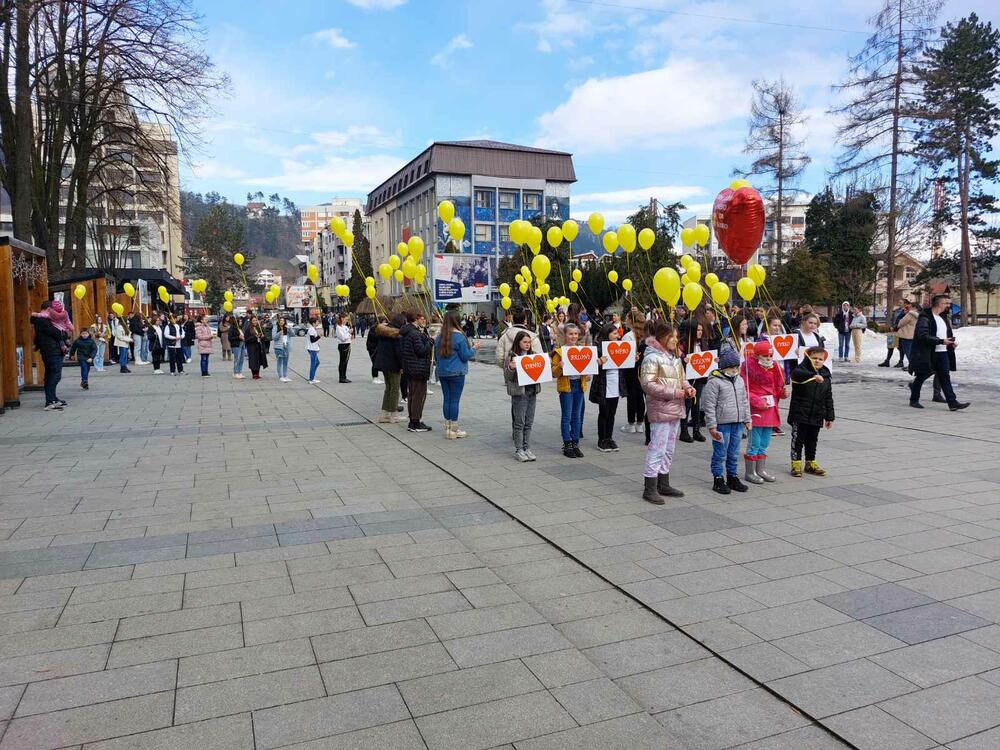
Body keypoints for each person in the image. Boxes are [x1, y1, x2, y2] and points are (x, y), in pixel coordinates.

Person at [639, 320, 692, 502]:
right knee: (657, 448)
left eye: (676, 337)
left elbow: (681, 378)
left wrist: (688, 388)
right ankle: (650, 487)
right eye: (672, 336)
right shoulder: (651, 358)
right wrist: (674, 392)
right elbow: (648, 385)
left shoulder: (674, 358)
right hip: (661, 409)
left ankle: (663, 482)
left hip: (676, 408)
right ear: (662, 337)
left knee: (669, 448)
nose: (675, 340)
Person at [703, 348, 751, 495]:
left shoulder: (740, 380)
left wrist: (747, 418)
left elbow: (744, 400)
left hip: (737, 422)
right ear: (723, 367)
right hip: (722, 423)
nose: (735, 370)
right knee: (720, 453)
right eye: (732, 367)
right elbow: (709, 405)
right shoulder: (714, 382)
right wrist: (712, 425)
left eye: (737, 367)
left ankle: (732, 476)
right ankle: (718, 478)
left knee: (734, 452)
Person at [909, 295, 969, 411]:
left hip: (943, 352)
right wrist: (941, 341)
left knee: (945, 377)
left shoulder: (943, 318)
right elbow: (923, 336)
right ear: (939, 304)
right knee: (921, 376)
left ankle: (953, 403)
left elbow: (945, 334)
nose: (949, 305)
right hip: (928, 353)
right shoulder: (925, 317)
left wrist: (950, 342)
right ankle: (914, 399)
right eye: (946, 303)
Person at [741, 340, 785, 484]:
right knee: (754, 442)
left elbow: (777, 386)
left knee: (765, 442)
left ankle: (760, 470)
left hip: (771, 408)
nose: (768, 358)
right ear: (757, 355)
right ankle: (750, 472)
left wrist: (782, 392)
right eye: (765, 355)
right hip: (757, 409)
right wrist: (757, 401)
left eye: (770, 355)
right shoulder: (747, 367)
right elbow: (744, 389)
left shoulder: (776, 366)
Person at [788, 347, 836, 476]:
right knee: (798, 440)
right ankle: (796, 464)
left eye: (820, 359)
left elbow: (828, 397)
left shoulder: (826, 375)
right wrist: (813, 376)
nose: (817, 361)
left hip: (817, 414)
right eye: (814, 358)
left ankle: (810, 463)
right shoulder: (801, 371)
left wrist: (830, 417)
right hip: (800, 413)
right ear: (808, 358)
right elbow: (795, 375)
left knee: (812, 440)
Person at [435, 310, 478, 438]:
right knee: (454, 400)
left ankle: (448, 428)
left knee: (446, 398)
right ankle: (454, 429)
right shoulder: (460, 336)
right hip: (457, 372)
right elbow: (465, 356)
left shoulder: (439, 336)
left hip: (442, 372)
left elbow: (436, 356)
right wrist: (474, 348)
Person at [549, 323, 589, 458]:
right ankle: (567, 444)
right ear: (565, 335)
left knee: (576, 416)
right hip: (566, 386)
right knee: (567, 416)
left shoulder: (582, 350)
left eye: (576, 334)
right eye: (570, 334)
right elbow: (554, 373)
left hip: (579, 385)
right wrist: (560, 367)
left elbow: (587, 370)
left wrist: (592, 366)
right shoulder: (559, 352)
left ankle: (575, 442)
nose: (573, 336)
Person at [505, 330, 539, 461]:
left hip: (532, 391)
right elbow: (507, 376)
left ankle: (527, 448)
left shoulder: (534, 355)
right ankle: (519, 449)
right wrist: (511, 368)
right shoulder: (512, 356)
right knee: (520, 422)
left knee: (529, 422)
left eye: (529, 342)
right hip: (520, 393)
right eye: (524, 342)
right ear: (518, 342)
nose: (527, 344)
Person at [590, 322, 624, 452]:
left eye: (617, 333)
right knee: (604, 412)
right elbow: (590, 366)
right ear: (607, 334)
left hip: (616, 383)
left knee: (612, 413)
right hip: (604, 384)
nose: (617, 336)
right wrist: (598, 362)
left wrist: (633, 359)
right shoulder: (599, 348)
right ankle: (601, 439)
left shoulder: (620, 347)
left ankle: (609, 438)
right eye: (614, 333)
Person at [679, 315, 713, 444]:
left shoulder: (703, 343)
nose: (700, 332)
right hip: (687, 378)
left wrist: (713, 361)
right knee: (687, 404)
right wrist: (683, 358)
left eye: (701, 330)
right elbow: (678, 356)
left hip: (699, 377)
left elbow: (706, 357)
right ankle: (683, 431)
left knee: (696, 404)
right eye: (697, 330)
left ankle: (696, 430)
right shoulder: (683, 344)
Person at [31, 301, 68, 410]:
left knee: (51, 375)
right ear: (48, 309)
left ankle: (53, 398)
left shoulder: (41, 320)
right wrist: (64, 333)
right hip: (52, 351)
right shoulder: (43, 321)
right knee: (54, 376)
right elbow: (57, 333)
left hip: (50, 351)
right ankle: (50, 401)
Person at [400, 311, 433, 432]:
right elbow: (421, 351)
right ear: (416, 319)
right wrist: (431, 341)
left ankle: (413, 421)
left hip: (410, 367)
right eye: (422, 318)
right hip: (417, 368)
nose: (423, 320)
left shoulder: (406, 331)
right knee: (418, 395)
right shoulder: (414, 333)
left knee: (412, 395)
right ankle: (415, 422)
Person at [374, 314, 405, 422]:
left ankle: (385, 413)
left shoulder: (384, 332)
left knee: (388, 388)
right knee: (395, 389)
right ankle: (393, 414)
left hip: (383, 364)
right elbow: (399, 352)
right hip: (393, 364)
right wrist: (402, 366)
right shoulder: (396, 335)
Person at [620, 312, 646, 435]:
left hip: (631, 368)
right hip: (642, 368)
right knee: (640, 395)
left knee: (632, 395)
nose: (625, 321)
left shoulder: (628, 336)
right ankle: (640, 423)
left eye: (627, 318)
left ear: (631, 320)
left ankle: (631, 423)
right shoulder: (644, 335)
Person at [893, 300, 918, 369]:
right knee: (911, 351)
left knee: (908, 351)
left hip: (906, 335)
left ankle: (912, 366)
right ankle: (912, 365)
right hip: (913, 335)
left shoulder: (910, 314)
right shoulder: (917, 314)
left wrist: (903, 315)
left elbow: (900, 323)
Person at [272, 316, 292, 382]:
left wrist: (290, 329)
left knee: (285, 362)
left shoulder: (286, 328)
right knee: (280, 362)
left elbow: (293, 334)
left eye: (283, 320)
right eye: (280, 320)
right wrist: (279, 332)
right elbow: (274, 338)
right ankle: (280, 376)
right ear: (278, 321)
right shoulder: (275, 327)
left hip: (286, 347)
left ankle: (285, 375)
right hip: (278, 348)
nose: (282, 322)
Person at [334, 314, 353, 384]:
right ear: (342, 318)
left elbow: (349, 336)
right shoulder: (338, 327)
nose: (347, 320)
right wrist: (349, 333)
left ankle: (344, 376)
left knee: (345, 362)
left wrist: (350, 334)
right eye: (346, 319)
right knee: (342, 362)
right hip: (343, 345)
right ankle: (341, 377)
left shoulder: (345, 327)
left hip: (347, 345)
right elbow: (342, 338)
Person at [367, 316, 385, 385]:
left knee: (376, 362)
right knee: (374, 362)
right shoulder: (374, 328)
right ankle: (375, 377)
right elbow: (374, 338)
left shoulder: (378, 328)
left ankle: (376, 376)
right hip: (373, 348)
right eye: (384, 322)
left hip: (376, 348)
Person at [302, 315, 320, 383]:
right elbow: (312, 340)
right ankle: (311, 379)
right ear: (313, 323)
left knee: (317, 362)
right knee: (313, 363)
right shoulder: (311, 329)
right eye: (317, 322)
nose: (318, 323)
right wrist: (319, 336)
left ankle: (312, 376)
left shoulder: (313, 329)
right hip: (312, 349)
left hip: (313, 348)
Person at [229, 315, 246, 379]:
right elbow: (230, 338)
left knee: (241, 359)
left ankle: (239, 371)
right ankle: (235, 372)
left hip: (242, 344)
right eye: (239, 321)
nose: (241, 322)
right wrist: (238, 337)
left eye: (241, 321)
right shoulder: (232, 328)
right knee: (237, 359)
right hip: (236, 345)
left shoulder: (240, 328)